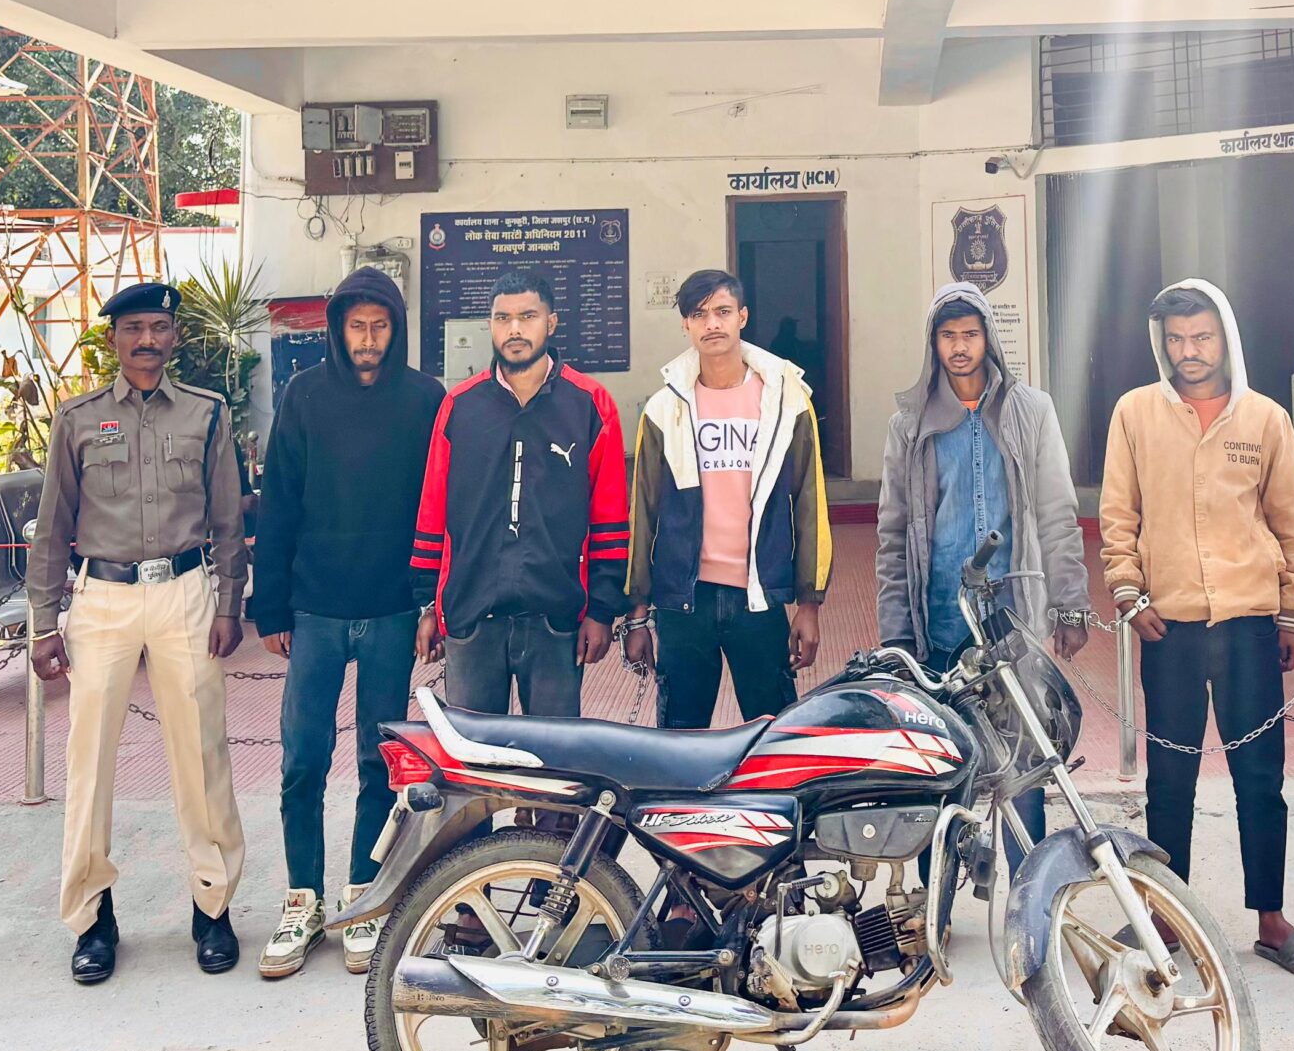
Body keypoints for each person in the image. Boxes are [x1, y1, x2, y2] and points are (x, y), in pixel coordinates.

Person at [1101, 280, 1294, 980]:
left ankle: (1271, 919)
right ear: (1161, 344)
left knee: (1260, 777)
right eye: (1176, 339)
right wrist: (1128, 593)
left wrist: (1292, 611)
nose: (1189, 351)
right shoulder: (1135, 414)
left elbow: (1291, 522)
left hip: (1248, 626)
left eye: (1201, 337)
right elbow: (1119, 515)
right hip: (1167, 626)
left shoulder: (1264, 419)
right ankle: (1165, 918)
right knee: (1169, 778)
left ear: (1225, 339)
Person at [28, 281, 248, 986]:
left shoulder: (206, 414)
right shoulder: (79, 419)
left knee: (202, 755)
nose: (147, 340)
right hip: (103, 600)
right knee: (88, 760)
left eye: (158, 327)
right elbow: (53, 528)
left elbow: (228, 519)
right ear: (114, 339)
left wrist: (230, 602)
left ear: (174, 336)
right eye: (134, 329)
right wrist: (43, 623)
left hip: (184, 593)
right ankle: (92, 918)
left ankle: (212, 907)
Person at [248, 265, 445, 981]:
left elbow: (438, 506)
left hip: (391, 609)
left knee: (377, 762)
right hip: (315, 611)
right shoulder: (303, 396)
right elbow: (278, 505)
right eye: (357, 326)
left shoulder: (426, 399)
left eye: (379, 326)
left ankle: (363, 896)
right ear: (338, 329)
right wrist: (271, 605)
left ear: (396, 329)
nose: (367, 339)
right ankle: (302, 899)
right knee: (302, 759)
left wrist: (429, 603)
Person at [877, 282, 1091, 848]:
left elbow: (1057, 513)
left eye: (969, 334)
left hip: (1014, 622)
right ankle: (938, 897)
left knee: (1026, 767)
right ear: (934, 343)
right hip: (940, 624)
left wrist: (1070, 604)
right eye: (948, 335)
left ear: (988, 338)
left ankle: (1028, 888)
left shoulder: (1030, 410)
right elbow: (892, 535)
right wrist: (897, 637)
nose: (960, 346)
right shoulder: (909, 424)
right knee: (938, 774)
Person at [412, 268, 628, 717]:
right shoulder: (460, 405)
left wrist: (602, 610)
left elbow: (609, 515)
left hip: (557, 618)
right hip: (471, 614)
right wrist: (428, 605)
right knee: (472, 752)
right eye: (502, 318)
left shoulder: (590, 404)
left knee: (553, 755)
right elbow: (433, 508)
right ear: (490, 326)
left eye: (527, 316)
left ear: (551, 323)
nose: (514, 329)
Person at [621, 269, 830, 727]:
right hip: (684, 601)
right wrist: (637, 616)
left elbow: (809, 504)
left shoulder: (787, 400)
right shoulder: (664, 408)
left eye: (722, 311)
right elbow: (644, 515)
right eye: (699, 314)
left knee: (771, 738)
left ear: (743, 317)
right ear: (686, 325)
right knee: (681, 740)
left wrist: (809, 604)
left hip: (758, 598)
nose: (712, 323)